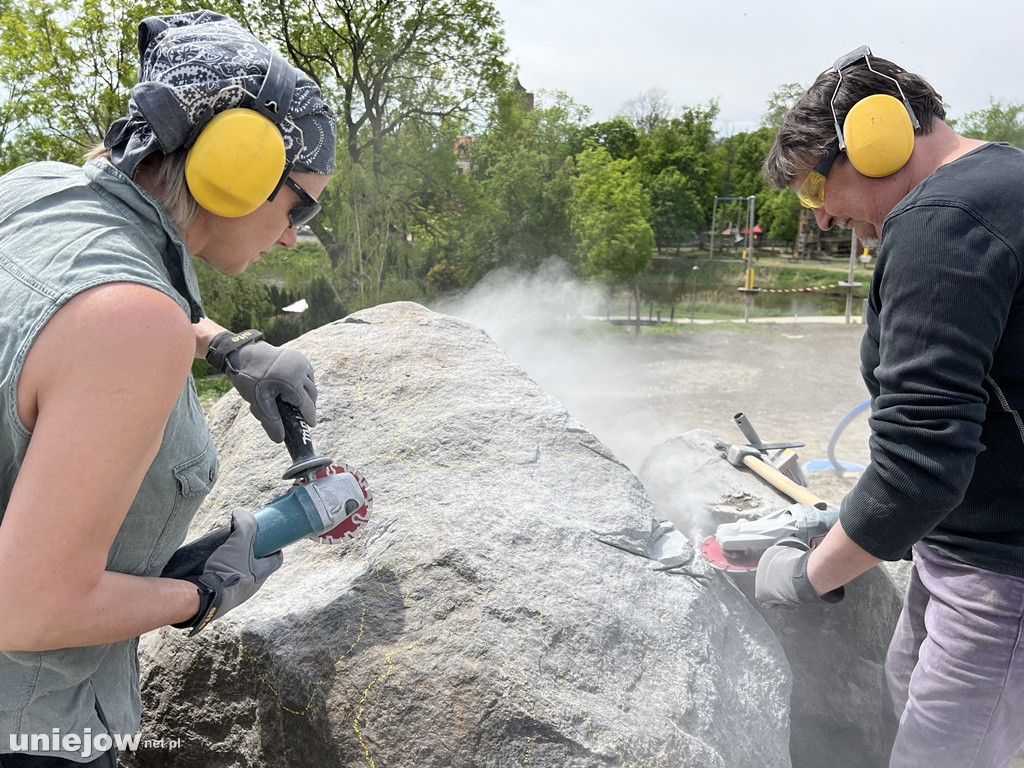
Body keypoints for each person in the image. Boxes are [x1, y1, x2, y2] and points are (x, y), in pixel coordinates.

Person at [0, 10, 336, 766]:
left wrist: (223, 343)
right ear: (237, 169)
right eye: (300, 205)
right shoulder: (134, 324)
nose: (293, 235)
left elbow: (70, 308)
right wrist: (207, 591)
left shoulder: (34, 191)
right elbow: (26, 610)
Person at [756, 46, 1024, 767]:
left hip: (1001, 577)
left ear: (877, 138)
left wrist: (807, 576)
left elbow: (918, 474)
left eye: (816, 192)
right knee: (902, 699)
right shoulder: (1003, 184)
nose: (818, 219)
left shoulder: (943, 223)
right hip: (967, 544)